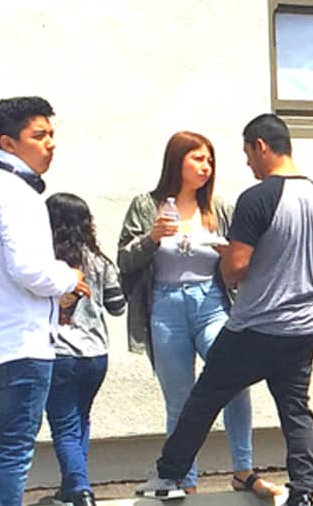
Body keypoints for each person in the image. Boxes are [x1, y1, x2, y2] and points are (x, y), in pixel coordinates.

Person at [139, 114, 313, 506]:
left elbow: (235, 269)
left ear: (261, 147)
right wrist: (290, 265)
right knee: (295, 411)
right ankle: (303, 492)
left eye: (248, 154)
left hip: (255, 323)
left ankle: (168, 475)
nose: (248, 164)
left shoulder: (258, 198)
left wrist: (228, 256)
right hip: (302, 327)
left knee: (205, 398)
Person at [115, 131, 271, 497]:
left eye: (210, 160)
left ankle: (243, 469)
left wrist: (227, 253)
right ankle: (183, 478)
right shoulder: (145, 205)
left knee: (233, 382)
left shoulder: (219, 209)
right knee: (179, 398)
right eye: (198, 158)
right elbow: (124, 259)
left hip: (212, 302)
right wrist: (151, 238)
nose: (206, 167)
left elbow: (246, 259)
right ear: (177, 161)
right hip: (165, 304)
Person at [0, 96, 83, 506]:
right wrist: (70, 276)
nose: (50, 144)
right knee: (13, 452)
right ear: (8, 143)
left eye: (51, 134)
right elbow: (30, 270)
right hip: (16, 341)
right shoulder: (17, 194)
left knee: (1, 448)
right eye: (38, 135)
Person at [43, 193, 126, 506]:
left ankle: (80, 490)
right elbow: (117, 306)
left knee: (63, 425)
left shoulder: (44, 263)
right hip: (95, 354)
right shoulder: (99, 260)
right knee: (81, 419)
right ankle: (71, 486)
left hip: (58, 354)